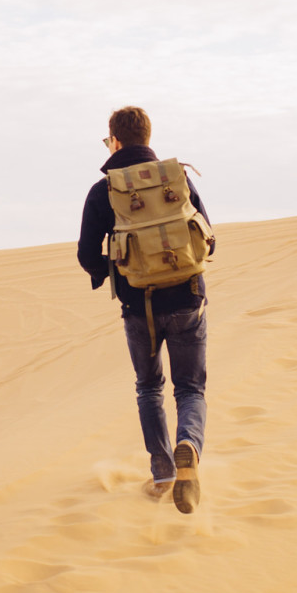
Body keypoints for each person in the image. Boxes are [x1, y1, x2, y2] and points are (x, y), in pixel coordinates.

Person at [77, 106, 214, 513]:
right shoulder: (177, 178)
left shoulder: (104, 191)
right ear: (148, 140)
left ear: (115, 141)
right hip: (188, 296)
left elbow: (87, 255)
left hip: (140, 305)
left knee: (149, 387)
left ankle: (164, 473)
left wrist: (113, 269)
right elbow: (206, 234)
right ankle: (188, 442)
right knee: (190, 388)